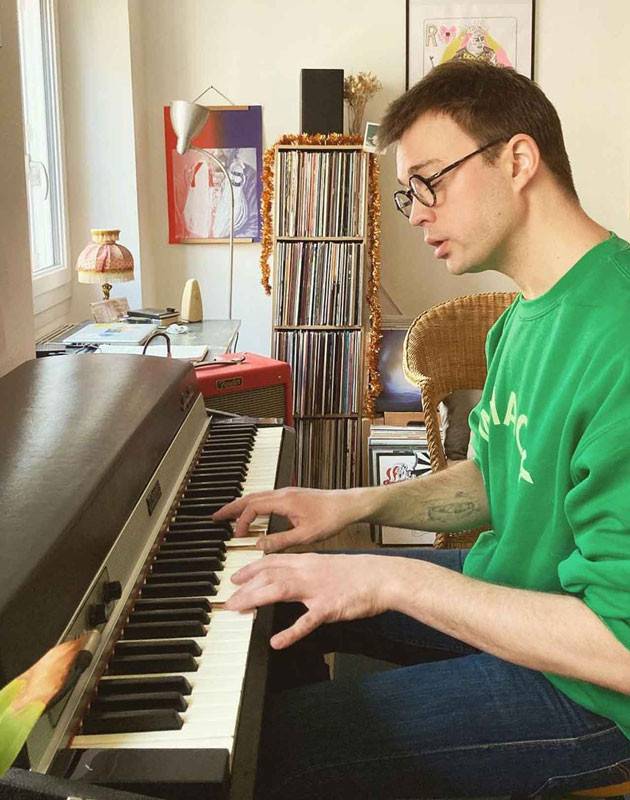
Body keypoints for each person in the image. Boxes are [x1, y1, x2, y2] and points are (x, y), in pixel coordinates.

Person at [214, 60, 630, 799]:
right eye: (408, 193)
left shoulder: (618, 334)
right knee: (279, 596)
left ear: (518, 160)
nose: (415, 212)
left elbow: (620, 647)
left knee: (265, 751)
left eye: (429, 182)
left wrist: (390, 575)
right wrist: (354, 505)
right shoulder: (521, 320)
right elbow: (495, 479)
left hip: (595, 694)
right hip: (519, 596)